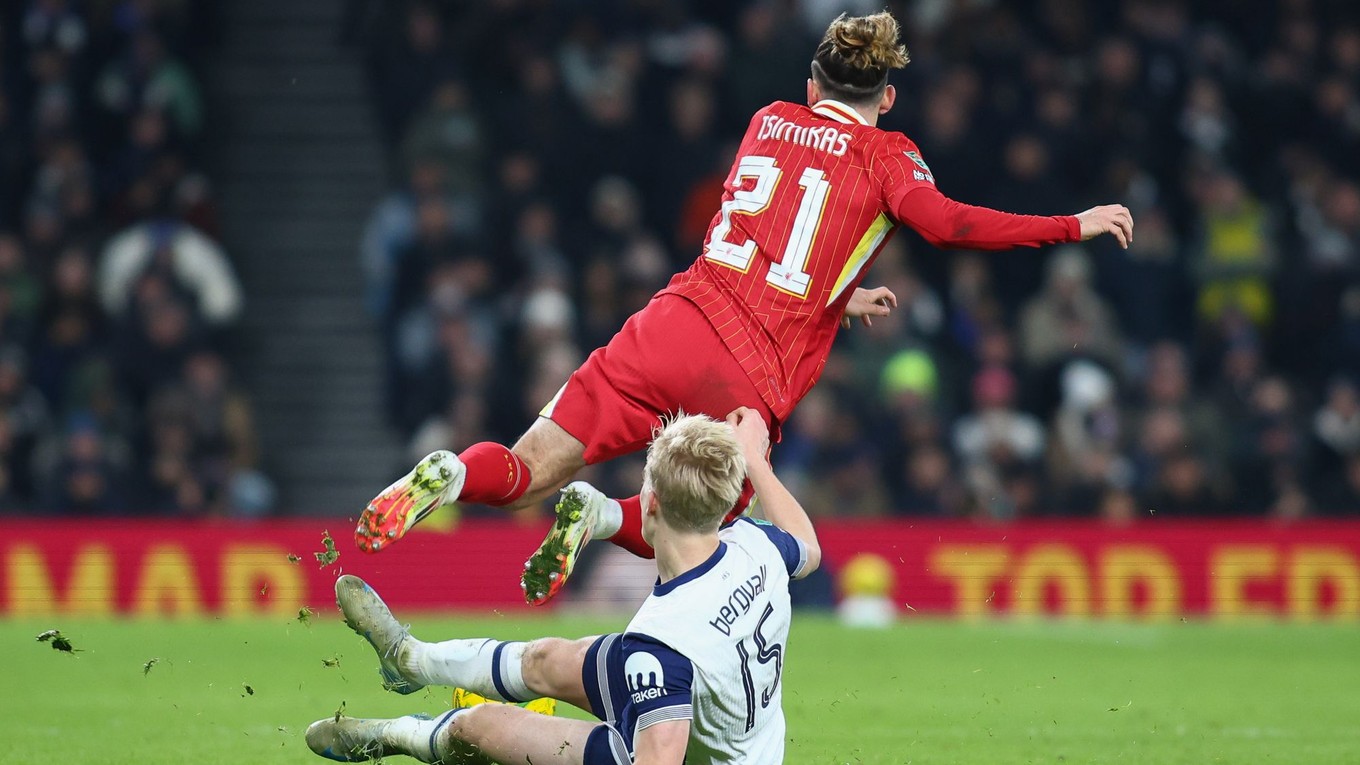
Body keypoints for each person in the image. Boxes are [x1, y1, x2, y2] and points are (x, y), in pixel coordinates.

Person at [355, 11, 1134, 605]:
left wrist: (838, 290)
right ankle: (595, 517)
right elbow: (949, 224)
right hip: (745, 367)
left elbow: (775, 233)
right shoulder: (889, 155)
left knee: (527, 470)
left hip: (674, 316)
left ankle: (453, 472)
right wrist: (1071, 224)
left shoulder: (768, 119)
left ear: (810, 87)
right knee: (705, 520)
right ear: (887, 97)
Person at [306, 409, 820, 764]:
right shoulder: (756, 545)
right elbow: (808, 547)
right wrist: (755, 458)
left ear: (653, 505)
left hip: (669, 744)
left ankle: (392, 737)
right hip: (712, 698)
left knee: (479, 726)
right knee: (546, 660)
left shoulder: (660, 646)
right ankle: (407, 660)